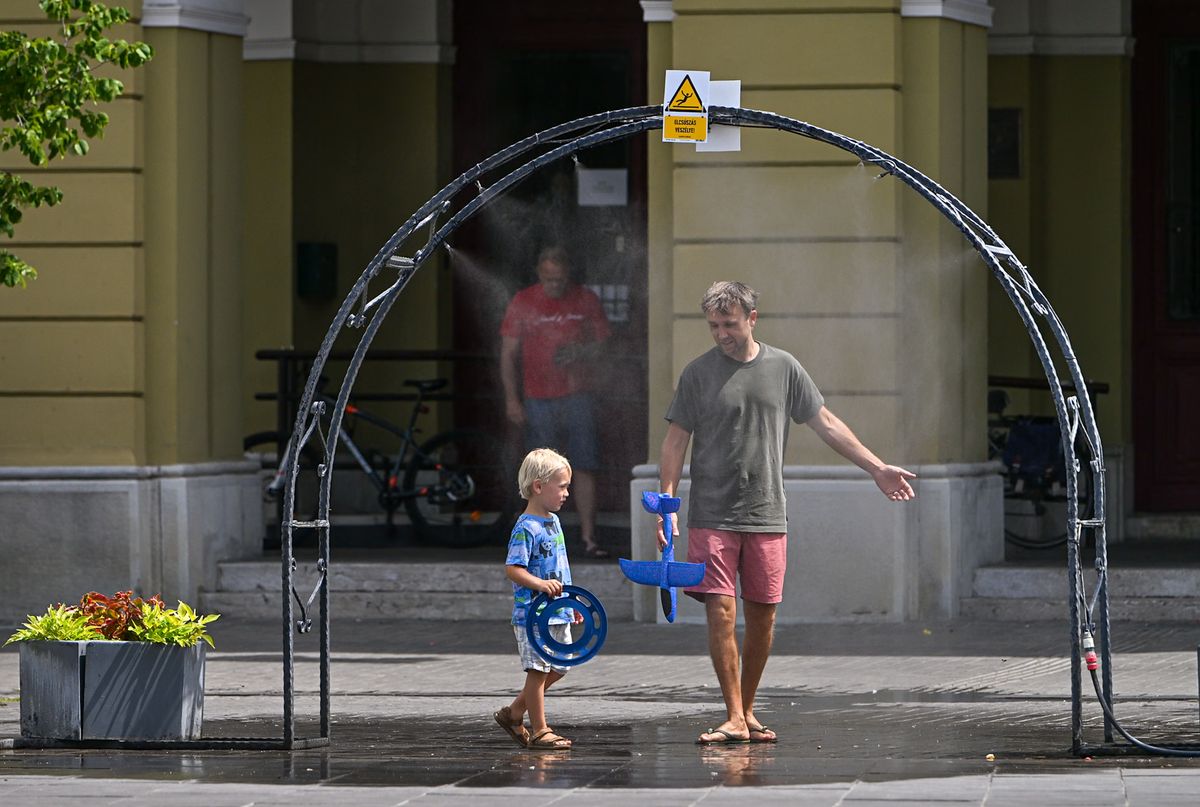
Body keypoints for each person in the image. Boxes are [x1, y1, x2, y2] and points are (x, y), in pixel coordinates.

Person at [657, 281, 917, 745]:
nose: (721, 334)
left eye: (730, 324)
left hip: (766, 513)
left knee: (763, 617)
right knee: (720, 612)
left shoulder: (784, 368)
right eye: (714, 326)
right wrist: (667, 504)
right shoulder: (697, 374)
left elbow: (827, 423)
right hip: (711, 514)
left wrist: (877, 468)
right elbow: (676, 441)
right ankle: (733, 715)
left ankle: (747, 710)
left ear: (752, 319)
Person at [500, 246, 611, 558]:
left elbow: (605, 346)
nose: (554, 286)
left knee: (585, 464)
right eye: (549, 280)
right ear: (539, 274)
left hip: (579, 393)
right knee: (539, 473)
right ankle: (536, 542)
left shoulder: (585, 299)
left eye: (559, 280)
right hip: (537, 397)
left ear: (568, 276)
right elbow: (507, 355)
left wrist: (582, 352)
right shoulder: (523, 301)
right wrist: (512, 399)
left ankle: (589, 538)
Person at [494, 447, 583, 750]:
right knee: (539, 670)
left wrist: (570, 603)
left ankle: (515, 713)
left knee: (561, 666)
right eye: (562, 486)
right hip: (532, 614)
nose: (567, 493)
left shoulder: (554, 523)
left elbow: (561, 566)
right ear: (538, 487)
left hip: (557, 611)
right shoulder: (525, 528)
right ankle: (541, 730)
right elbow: (513, 569)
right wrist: (541, 585)